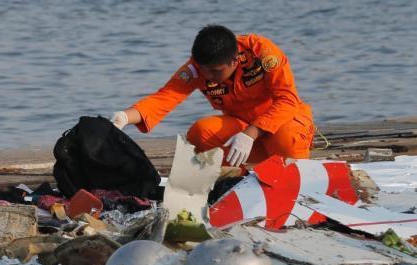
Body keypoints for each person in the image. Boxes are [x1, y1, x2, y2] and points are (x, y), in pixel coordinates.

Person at [110, 25, 314, 167]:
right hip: (241, 133)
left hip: (283, 128)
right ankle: (233, 181)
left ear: (234, 62)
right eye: (203, 69)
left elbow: (287, 100)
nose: (208, 77)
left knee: (287, 137)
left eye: (215, 72)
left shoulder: (262, 53)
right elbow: (165, 97)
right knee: (200, 133)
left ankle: (297, 178)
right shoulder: (197, 68)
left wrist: (251, 133)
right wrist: (124, 117)